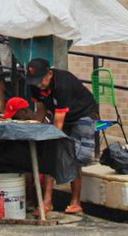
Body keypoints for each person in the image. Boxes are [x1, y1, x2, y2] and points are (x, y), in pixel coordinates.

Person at [26, 57, 99, 215]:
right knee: (53, 154)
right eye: (35, 81)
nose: (39, 85)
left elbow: (58, 123)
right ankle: (47, 201)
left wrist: (52, 141)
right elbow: (41, 110)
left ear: (50, 74)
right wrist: (35, 132)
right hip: (63, 116)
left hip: (83, 114)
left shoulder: (63, 84)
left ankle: (76, 201)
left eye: (41, 80)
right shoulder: (35, 86)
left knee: (75, 155)